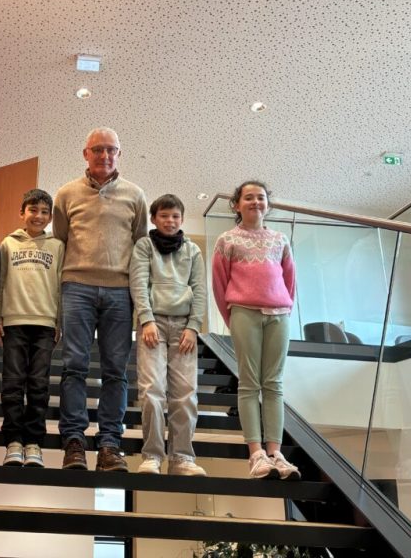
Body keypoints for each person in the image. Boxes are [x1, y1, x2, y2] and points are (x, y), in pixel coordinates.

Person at [53, 127, 148, 472]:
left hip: (120, 292)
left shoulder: (135, 195)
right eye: (98, 149)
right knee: (74, 366)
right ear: (85, 153)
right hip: (76, 287)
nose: (105, 156)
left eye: (111, 150)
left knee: (115, 371)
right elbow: (60, 242)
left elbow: (141, 247)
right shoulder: (66, 194)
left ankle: (109, 443)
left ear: (119, 154)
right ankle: (74, 442)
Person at [211, 180, 300, 480]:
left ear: (268, 204)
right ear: (236, 205)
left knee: (274, 384)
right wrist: (233, 318)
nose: (255, 202)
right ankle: (256, 454)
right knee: (249, 384)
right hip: (243, 313)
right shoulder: (227, 240)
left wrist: (284, 308)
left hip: (279, 315)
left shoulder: (280, 239)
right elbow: (219, 284)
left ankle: (276, 453)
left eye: (260, 197)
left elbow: (290, 281)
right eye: (248, 197)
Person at [129, 194, 207, 476]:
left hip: (184, 327)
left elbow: (200, 289)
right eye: (164, 216)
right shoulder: (144, 245)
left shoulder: (193, 250)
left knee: (185, 395)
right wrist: (146, 319)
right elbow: (138, 283)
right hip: (153, 325)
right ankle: (152, 455)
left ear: (182, 219)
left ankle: (182, 458)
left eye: (175, 216)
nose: (170, 221)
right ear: (153, 219)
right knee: (152, 391)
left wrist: (194, 326)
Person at [0, 189, 65, 468]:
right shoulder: (8, 243)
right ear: (22, 213)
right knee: (12, 383)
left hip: (45, 324)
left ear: (50, 217)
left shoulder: (57, 246)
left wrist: (59, 321)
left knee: (39, 384)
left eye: (45, 212)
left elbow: (61, 286)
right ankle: (13, 441)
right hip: (14, 322)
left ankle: (34, 443)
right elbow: (0, 283)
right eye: (33, 210)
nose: (39, 216)